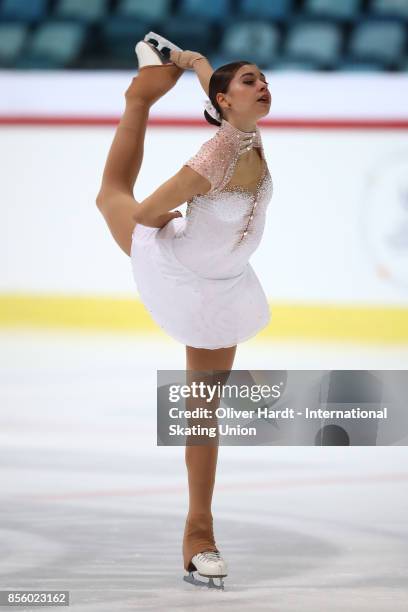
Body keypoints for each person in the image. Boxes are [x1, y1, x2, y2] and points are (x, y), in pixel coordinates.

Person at [96, 33, 273, 590]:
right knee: (113, 195)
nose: (262, 86)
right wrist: (175, 224)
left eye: (263, 79)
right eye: (251, 81)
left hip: (223, 281)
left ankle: (143, 91)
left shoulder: (244, 128)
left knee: (205, 403)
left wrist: (198, 63)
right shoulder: (216, 153)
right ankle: (199, 534)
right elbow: (148, 211)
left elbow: (220, 93)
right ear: (226, 102)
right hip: (182, 272)